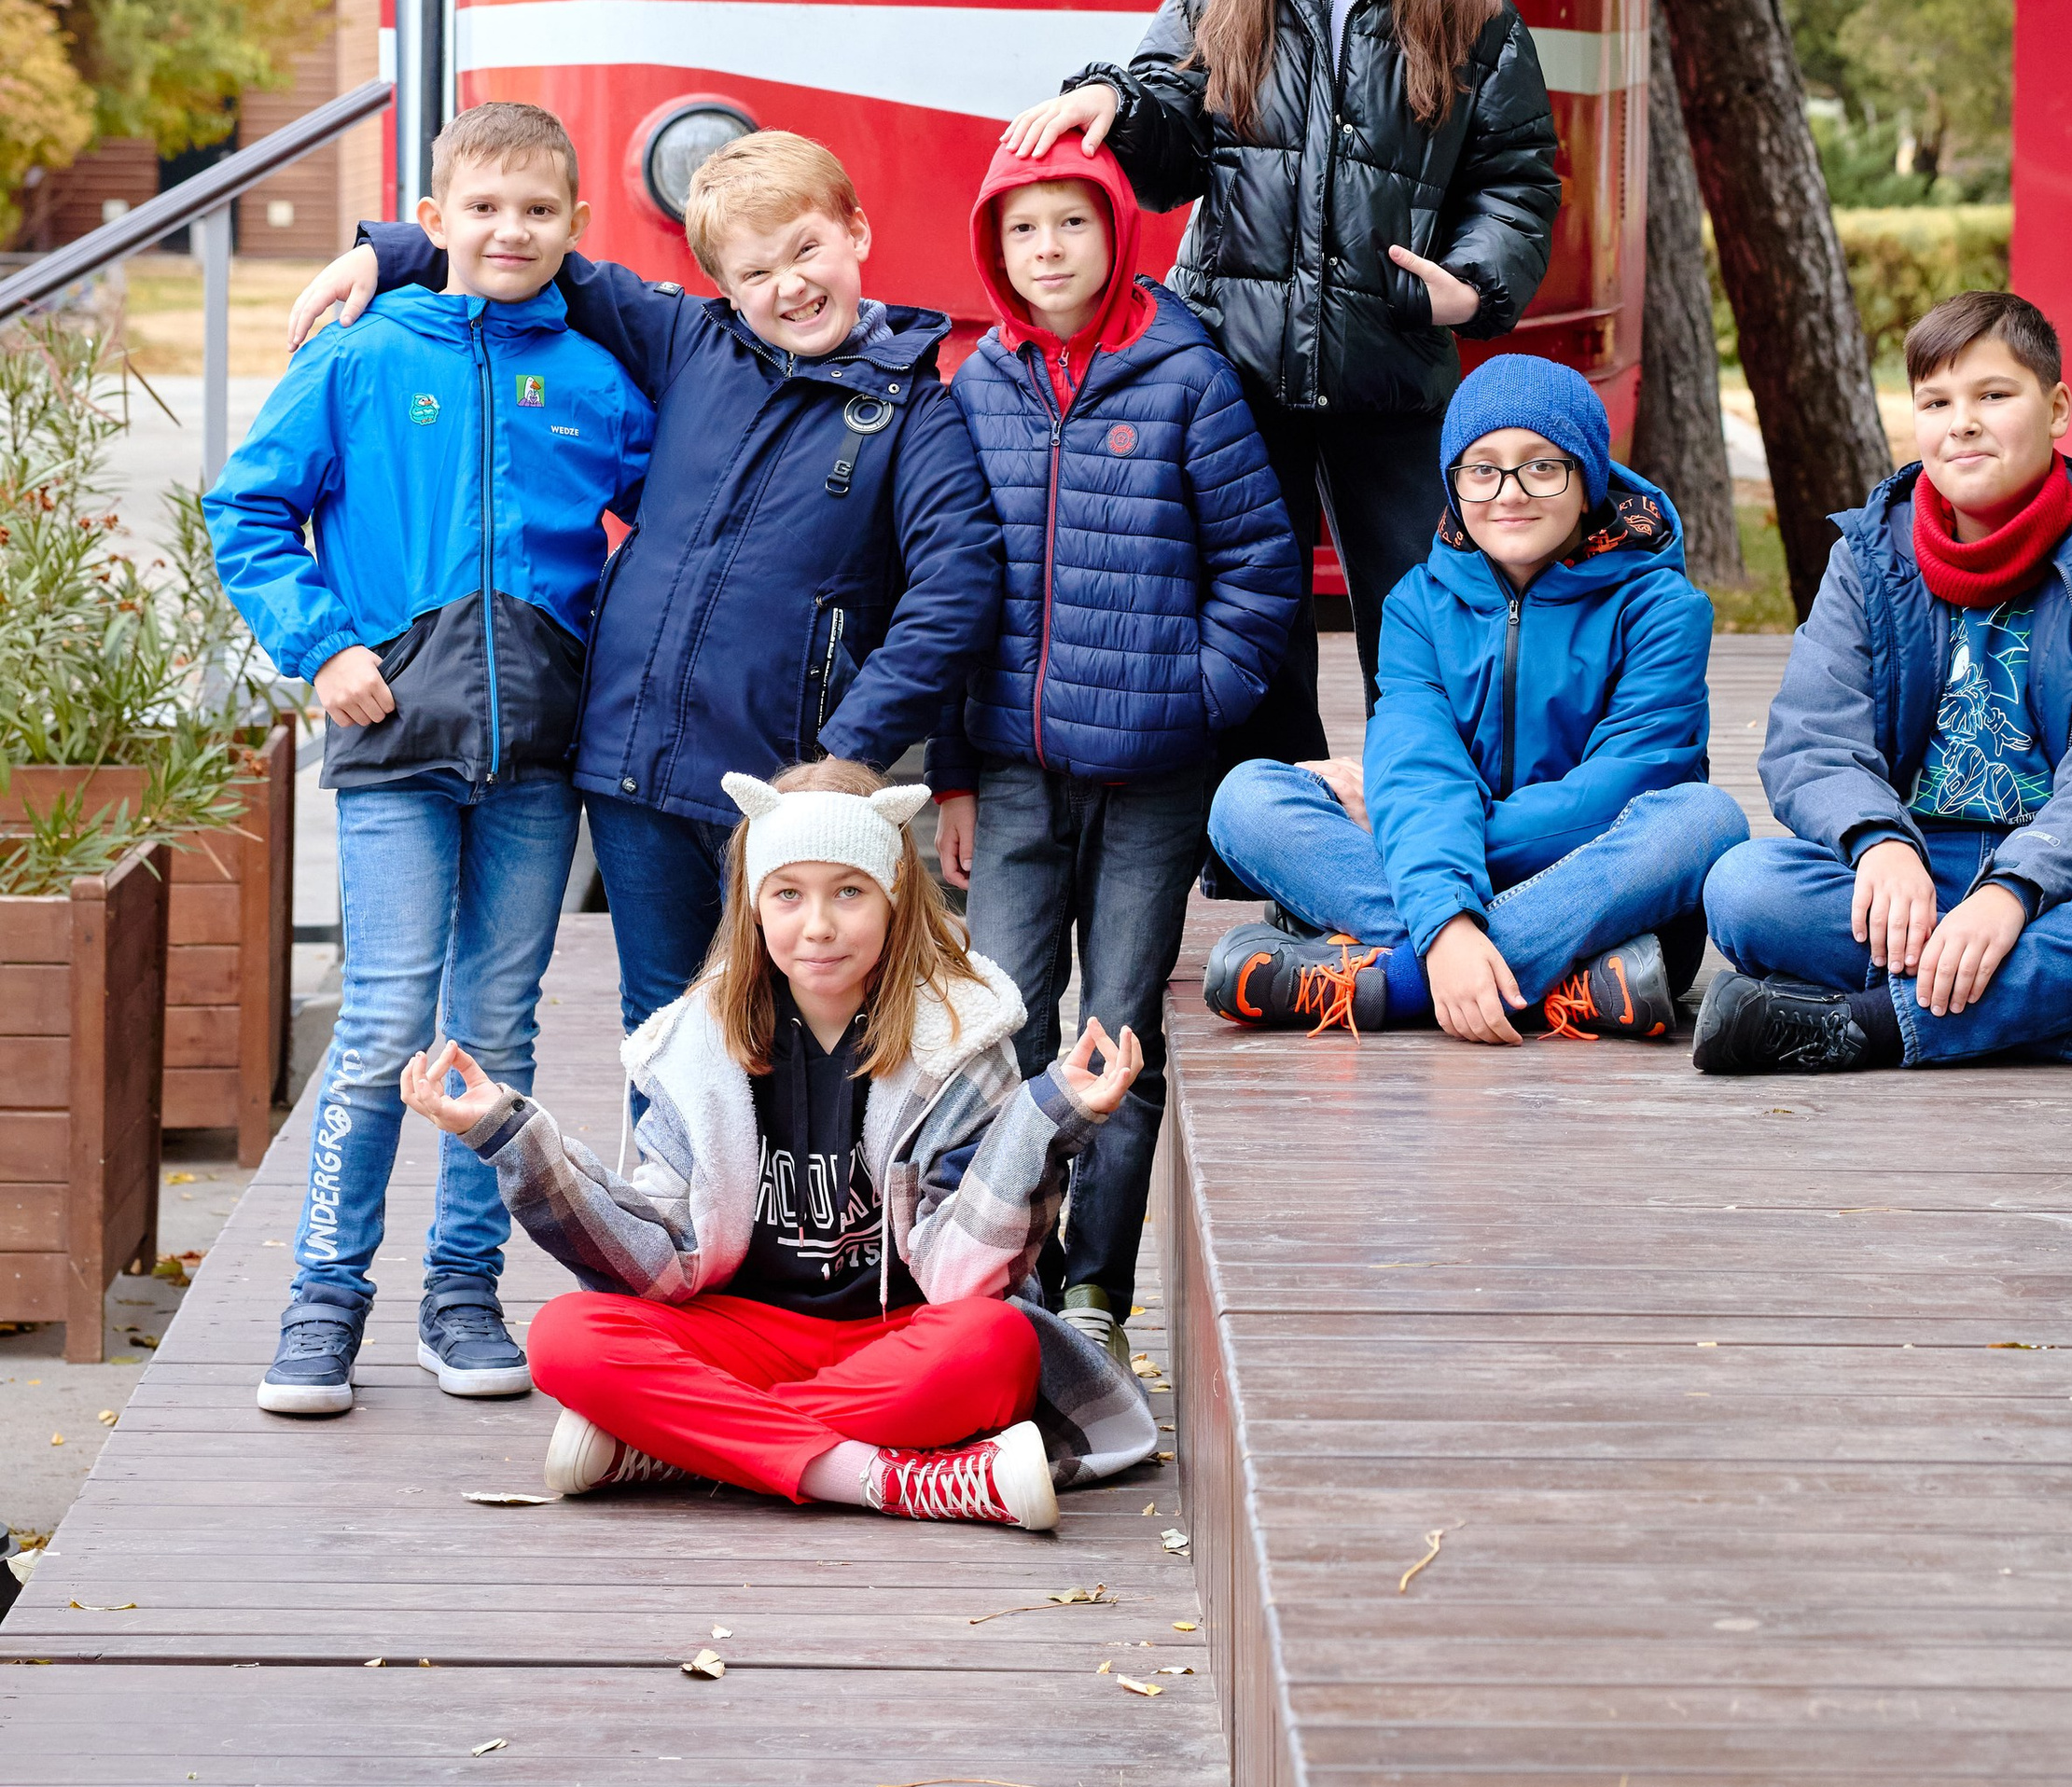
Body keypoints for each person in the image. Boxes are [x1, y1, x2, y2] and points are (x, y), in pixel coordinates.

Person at [285, 129, 1004, 1034]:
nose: (789, 286)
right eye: (755, 273)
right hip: (630, 774)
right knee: (662, 1030)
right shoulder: (688, 341)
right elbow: (530, 256)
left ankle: (790, 1184)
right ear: (725, 289)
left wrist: (848, 754)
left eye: (807, 251)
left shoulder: (914, 413)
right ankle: (669, 1187)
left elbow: (956, 590)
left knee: (798, 1020)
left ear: (856, 231)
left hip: (785, 784)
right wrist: (388, 252)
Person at [1004, 0, 1560, 783]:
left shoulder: (1472, 6)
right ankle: (1266, 828)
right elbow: (1168, 143)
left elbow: (1517, 177)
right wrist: (1111, 103)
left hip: (1392, 359)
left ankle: (1421, 811)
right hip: (1234, 360)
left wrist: (1472, 287)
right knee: (1252, 601)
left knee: (1419, 607)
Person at [206, 102, 654, 1418]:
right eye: (482, 208)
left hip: (536, 766)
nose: (507, 231)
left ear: (574, 228)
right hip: (393, 743)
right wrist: (322, 645)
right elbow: (247, 509)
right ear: (435, 219)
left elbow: (677, 525)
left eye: (535, 211)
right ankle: (324, 1296)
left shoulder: (594, 382)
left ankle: (461, 1292)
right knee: (383, 1023)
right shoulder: (361, 353)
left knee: (492, 1033)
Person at [396, 761, 1158, 1529]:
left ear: (894, 898)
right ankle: (895, 1480)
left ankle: (678, 1445)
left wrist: (1041, 1117)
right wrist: (511, 1135)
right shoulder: (695, 1046)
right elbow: (658, 1258)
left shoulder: (960, 1038)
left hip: (901, 1333)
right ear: (755, 906)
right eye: (788, 893)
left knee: (995, 1343)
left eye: (849, 892)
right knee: (567, 1337)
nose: (818, 925)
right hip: (744, 1328)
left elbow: (963, 1278)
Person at [1696, 289, 2072, 1094]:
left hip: (2071, 886)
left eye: (1993, 394)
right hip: (1913, 877)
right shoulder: (1868, 563)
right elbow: (1814, 740)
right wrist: (1878, 842)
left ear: (2057, 408)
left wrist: (2015, 891)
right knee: (1744, 890)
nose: (1962, 422)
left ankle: (1867, 1028)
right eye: (1937, 401)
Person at [929, 130, 1301, 1367]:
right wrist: (952, 776)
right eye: (1023, 229)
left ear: (1116, 233)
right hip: (1016, 771)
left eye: (1071, 224)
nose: (1049, 249)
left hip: (1153, 773)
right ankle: (1011, 1269)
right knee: (1009, 1032)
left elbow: (1260, 566)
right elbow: (948, 585)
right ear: (996, 248)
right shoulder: (980, 386)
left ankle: (1098, 1284)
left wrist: (1200, 699)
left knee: (1118, 1034)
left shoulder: (1186, 378)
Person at [1197, 357, 1749, 1038]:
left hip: (1591, 885)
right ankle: (1566, 983)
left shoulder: (1661, 608)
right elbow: (1420, 761)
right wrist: (1443, 900)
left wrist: (1419, 838)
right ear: (1453, 484)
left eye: (1542, 466)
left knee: (1702, 819)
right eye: (1481, 469)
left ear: (1588, 482)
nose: (1508, 493)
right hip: (1486, 895)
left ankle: (1396, 979)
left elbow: (1623, 789)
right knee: (1247, 797)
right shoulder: (1416, 607)